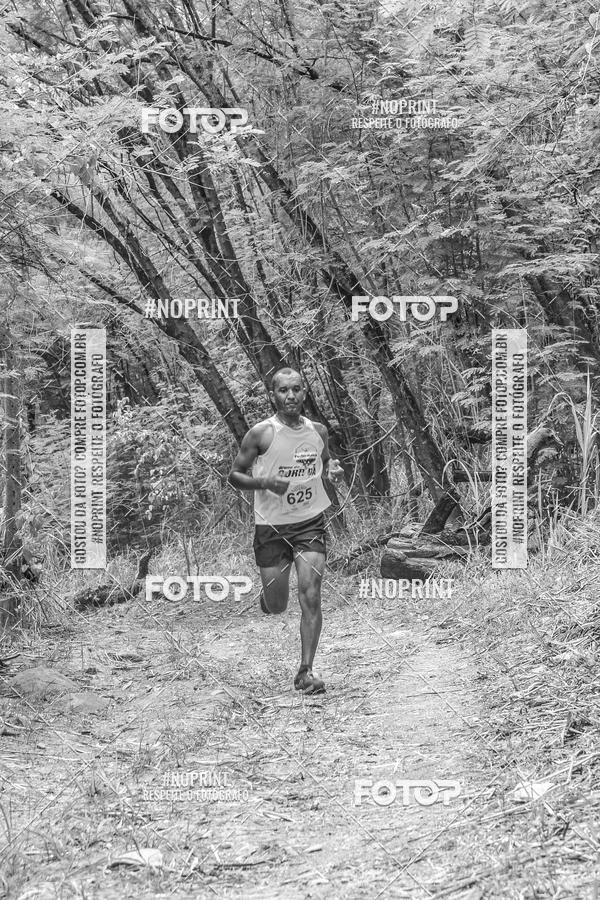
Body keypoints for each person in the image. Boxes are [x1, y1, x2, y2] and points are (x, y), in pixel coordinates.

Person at [229, 368, 344, 695]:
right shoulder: (261, 434)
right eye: (283, 390)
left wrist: (332, 470)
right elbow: (234, 475)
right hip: (271, 527)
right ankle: (268, 599)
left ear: (304, 392)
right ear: (272, 395)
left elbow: (325, 461)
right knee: (278, 604)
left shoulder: (318, 430)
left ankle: (305, 672)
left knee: (311, 593)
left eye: (296, 389)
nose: (290, 396)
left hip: (309, 522)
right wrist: (264, 482)